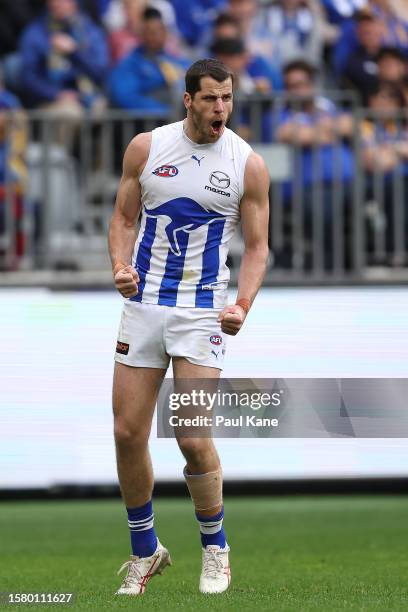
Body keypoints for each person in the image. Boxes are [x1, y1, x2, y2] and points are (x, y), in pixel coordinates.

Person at [108, 58, 269, 595]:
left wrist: (242, 303)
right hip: (145, 305)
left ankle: (216, 547)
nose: (220, 108)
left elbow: (258, 247)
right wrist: (119, 266)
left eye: (226, 98)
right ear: (188, 101)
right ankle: (145, 551)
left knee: (191, 435)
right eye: (209, 99)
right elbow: (125, 219)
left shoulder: (247, 163)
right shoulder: (147, 148)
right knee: (128, 433)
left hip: (202, 310)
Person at [19, 0, 109, 111]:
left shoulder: (90, 31)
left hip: (90, 95)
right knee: (70, 112)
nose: (58, 4)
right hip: (51, 101)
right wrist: (56, 94)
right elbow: (28, 78)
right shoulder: (36, 33)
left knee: (106, 108)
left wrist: (75, 53)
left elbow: (101, 72)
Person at [107, 7, 189, 112]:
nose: (155, 36)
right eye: (150, 31)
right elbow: (125, 97)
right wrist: (167, 112)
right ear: (142, 34)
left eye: (159, 30)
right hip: (151, 123)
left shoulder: (178, 62)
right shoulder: (129, 64)